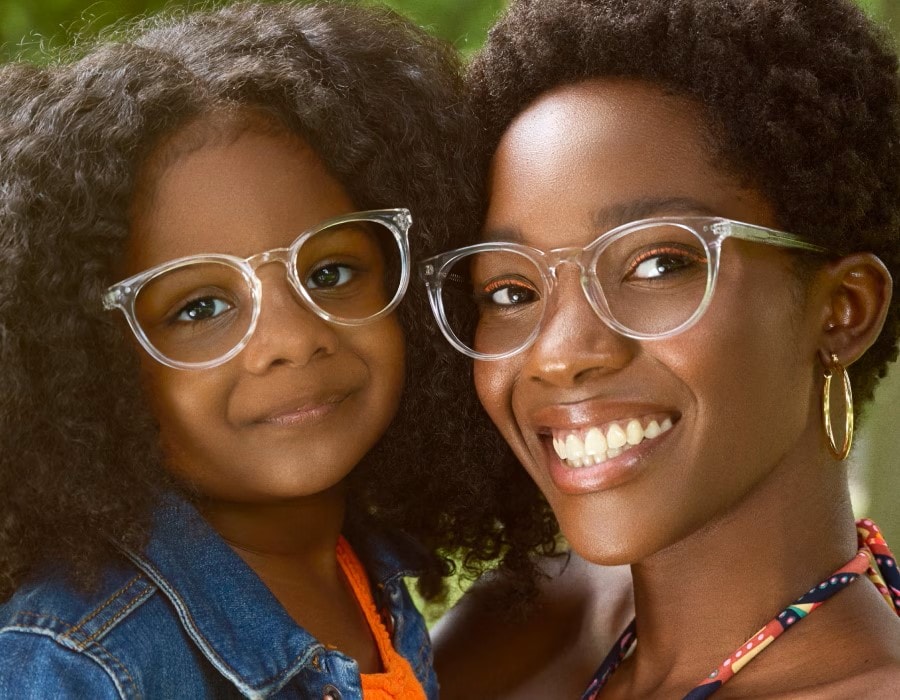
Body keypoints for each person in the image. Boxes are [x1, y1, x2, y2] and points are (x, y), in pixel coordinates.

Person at [0, 2, 530, 696]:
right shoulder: (75, 666)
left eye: (331, 273)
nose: (292, 338)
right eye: (200, 308)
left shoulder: (361, 568)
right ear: (87, 369)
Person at [424, 0, 900, 696]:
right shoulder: (516, 626)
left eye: (657, 265)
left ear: (843, 311)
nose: (559, 354)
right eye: (509, 290)